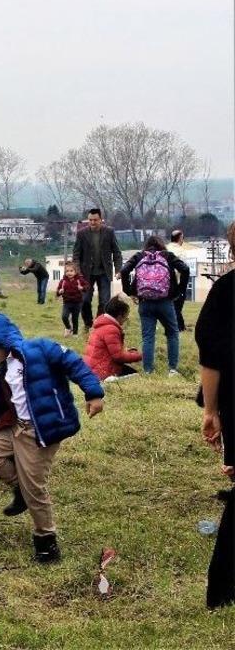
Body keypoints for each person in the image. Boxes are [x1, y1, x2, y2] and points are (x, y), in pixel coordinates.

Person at [0, 311, 104, 563]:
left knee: (35, 489)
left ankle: (46, 541)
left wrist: (93, 393)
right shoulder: (6, 367)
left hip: (41, 430)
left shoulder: (40, 348)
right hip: (15, 428)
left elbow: (74, 363)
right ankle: (19, 488)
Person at [196, 221, 234, 609]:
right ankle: (221, 590)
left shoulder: (224, 292)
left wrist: (211, 411)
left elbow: (211, 359)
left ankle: (221, 590)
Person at [119, 235, 189, 375]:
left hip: (145, 303)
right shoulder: (167, 255)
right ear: (161, 245)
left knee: (148, 337)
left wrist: (130, 291)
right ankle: (172, 369)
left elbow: (124, 270)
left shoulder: (139, 256)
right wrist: (179, 291)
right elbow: (185, 269)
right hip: (166, 302)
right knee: (172, 334)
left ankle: (148, 370)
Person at [72, 208, 123, 329]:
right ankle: (88, 324)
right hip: (86, 274)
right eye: (90, 220)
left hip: (104, 272)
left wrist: (118, 269)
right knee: (85, 300)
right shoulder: (81, 234)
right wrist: (78, 273)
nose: (92, 222)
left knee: (104, 301)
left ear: (101, 220)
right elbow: (76, 255)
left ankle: (98, 325)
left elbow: (117, 252)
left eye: (95, 220)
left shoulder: (109, 232)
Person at [84, 296, 142, 381]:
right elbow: (118, 357)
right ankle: (111, 380)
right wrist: (140, 356)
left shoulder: (101, 324)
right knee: (136, 377)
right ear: (119, 315)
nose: (126, 319)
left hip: (91, 369)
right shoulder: (111, 329)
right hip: (102, 372)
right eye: (126, 316)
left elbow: (110, 351)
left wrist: (127, 351)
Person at [55, 261, 88, 336]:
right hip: (67, 303)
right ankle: (68, 327)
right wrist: (59, 291)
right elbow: (57, 292)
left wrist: (82, 288)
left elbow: (87, 286)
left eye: (71, 271)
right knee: (64, 316)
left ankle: (75, 334)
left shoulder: (80, 279)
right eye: (67, 271)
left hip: (77, 303)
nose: (69, 273)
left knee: (75, 319)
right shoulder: (63, 281)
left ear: (75, 272)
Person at [169, 229, 191, 331]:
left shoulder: (165, 248)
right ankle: (178, 327)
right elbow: (184, 269)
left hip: (164, 283)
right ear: (180, 238)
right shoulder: (180, 251)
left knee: (173, 306)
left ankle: (180, 326)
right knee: (177, 307)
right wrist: (182, 287)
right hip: (176, 282)